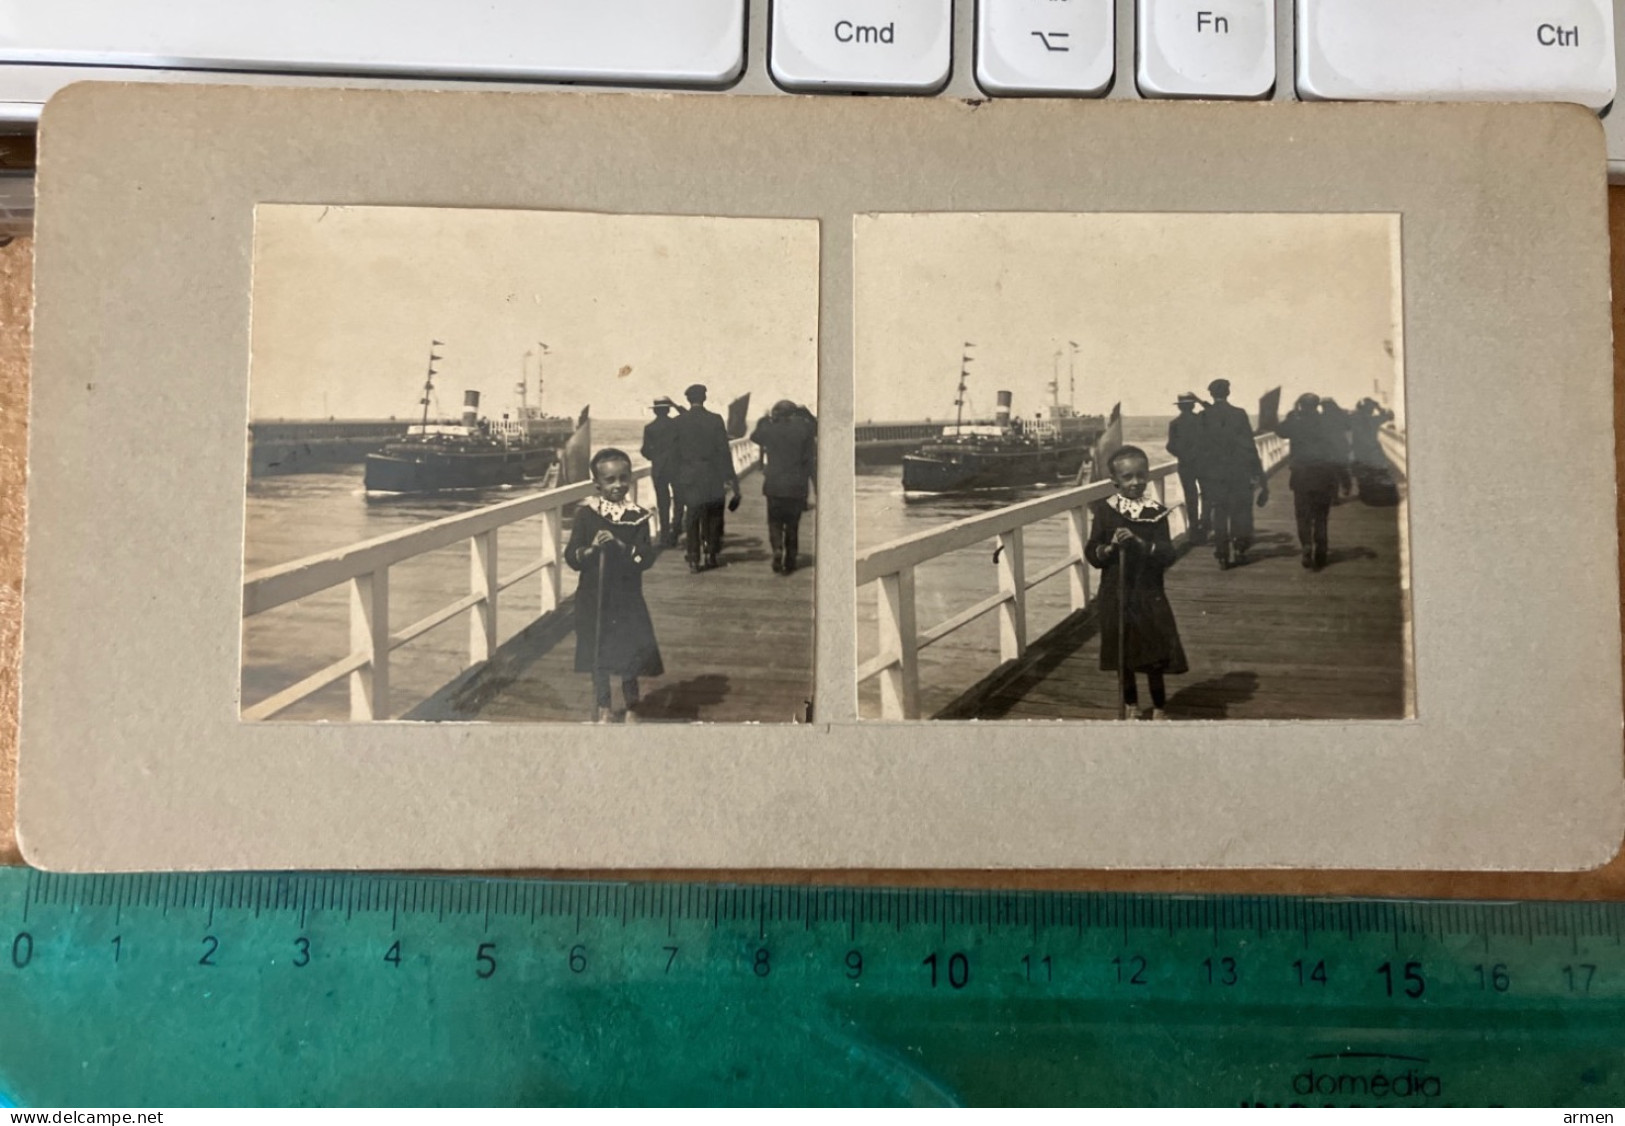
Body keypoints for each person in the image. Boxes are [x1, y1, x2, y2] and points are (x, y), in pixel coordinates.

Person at [1085, 445, 1188, 721]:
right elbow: (1092, 552)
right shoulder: (1106, 511)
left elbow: (1167, 554)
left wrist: (1142, 544)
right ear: (1115, 481)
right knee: (1123, 653)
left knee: (1154, 653)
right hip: (1116, 592)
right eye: (1128, 477)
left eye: (1141, 476)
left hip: (1147, 591)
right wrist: (1109, 548)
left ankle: (1159, 707)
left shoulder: (1155, 512)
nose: (1135, 483)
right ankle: (1130, 704)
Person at [564, 448, 663, 723]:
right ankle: (604, 706)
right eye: (610, 480)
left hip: (627, 598)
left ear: (630, 478)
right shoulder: (586, 515)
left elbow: (645, 558)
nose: (618, 485)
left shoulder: (639, 517)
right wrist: (590, 549)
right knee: (599, 654)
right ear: (598, 484)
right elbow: (572, 556)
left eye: (623, 478)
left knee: (629, 654)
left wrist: (621, 546)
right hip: (593, 597)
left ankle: (632, 707)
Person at [670, 382, 739, 572]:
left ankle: (693, 559)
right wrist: (732, 480)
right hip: (712, 474)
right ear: (704, 398)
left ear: (688, 399)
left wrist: (677, 478)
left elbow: (673, 454)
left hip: (689, 476)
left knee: (692, 517)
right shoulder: (715, 420)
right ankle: (711, 554)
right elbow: (724, 452)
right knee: (714, 516)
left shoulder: (678, 422)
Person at [1199, 378, 1266, 569]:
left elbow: (1200, 448)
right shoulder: (1239, 414)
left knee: (1219, 513)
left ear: (1211, 394)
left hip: (1214, 474)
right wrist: (1258, 474)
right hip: (1238, 472)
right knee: (1239, 512)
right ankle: (1239, 549)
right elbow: (1249, 446)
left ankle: (1222, 554)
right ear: (1228, 393)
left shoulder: (1204, 416)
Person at [1276, 393, 1343, 571]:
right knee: (1321, 516)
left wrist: (1293, 411)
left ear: (1301, 404)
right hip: (1323, 475)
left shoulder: (1295, 420)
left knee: (1303, 516)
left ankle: (1306, 546)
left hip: (1302, 476)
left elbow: (1280, 431)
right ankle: (1321, 551)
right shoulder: (1327, 421)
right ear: (1316, 405)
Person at [750, 399, 817, 574]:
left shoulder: (770, 429)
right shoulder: (805, 430)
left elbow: (754, 436)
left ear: (777, 413)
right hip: (797, 485)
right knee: (793, 524)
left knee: (774, 521)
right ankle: (791, 559)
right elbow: (810, 461)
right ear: (794, 413)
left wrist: (765, 419)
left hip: (774, 485)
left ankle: (777, 549)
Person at [1165, 392, 1211, 543]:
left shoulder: (1174, 424)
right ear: (1192, 406)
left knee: (1190, 497)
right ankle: (1205, 526)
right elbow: (1213, 411)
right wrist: (1199, 400)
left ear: (1180, 408)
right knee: (1206, 495)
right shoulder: (1202, 420)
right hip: (1203, 463)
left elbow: (1170, 446)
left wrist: (1183, 455)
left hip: (1185, 465)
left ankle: (1194, 531)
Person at [639, 396, 683, 547]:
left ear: (656, 411)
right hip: (677, 468)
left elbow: (645, 451)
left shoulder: (649, 428)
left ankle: (664, 536)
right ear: (668, 409)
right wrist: (676, 404)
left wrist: (655, 457)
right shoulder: (677, 425)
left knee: (662, 503)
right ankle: (676, 532)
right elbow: (687, 416)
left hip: (659, 470)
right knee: (679, 500)